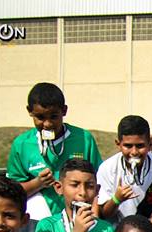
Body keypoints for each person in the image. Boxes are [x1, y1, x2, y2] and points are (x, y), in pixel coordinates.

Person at [6, 82, 102, 223]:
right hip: (38, 222)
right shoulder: (22, 145)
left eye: (54, 117)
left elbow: (97, 181)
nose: (47, 124)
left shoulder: (83, 139)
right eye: (40, 117)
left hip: (79, 217)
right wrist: (38, 183)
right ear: (30, 111)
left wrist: (95, 215)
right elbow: (11, 193)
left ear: (64, 111)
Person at [96, 115, 152, 229]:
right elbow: (104, 213)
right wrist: (117, 199)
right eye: (128, 146)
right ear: (118, 144)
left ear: (150, 144)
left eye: (140, 146)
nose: (134, 152)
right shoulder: (107, 168)